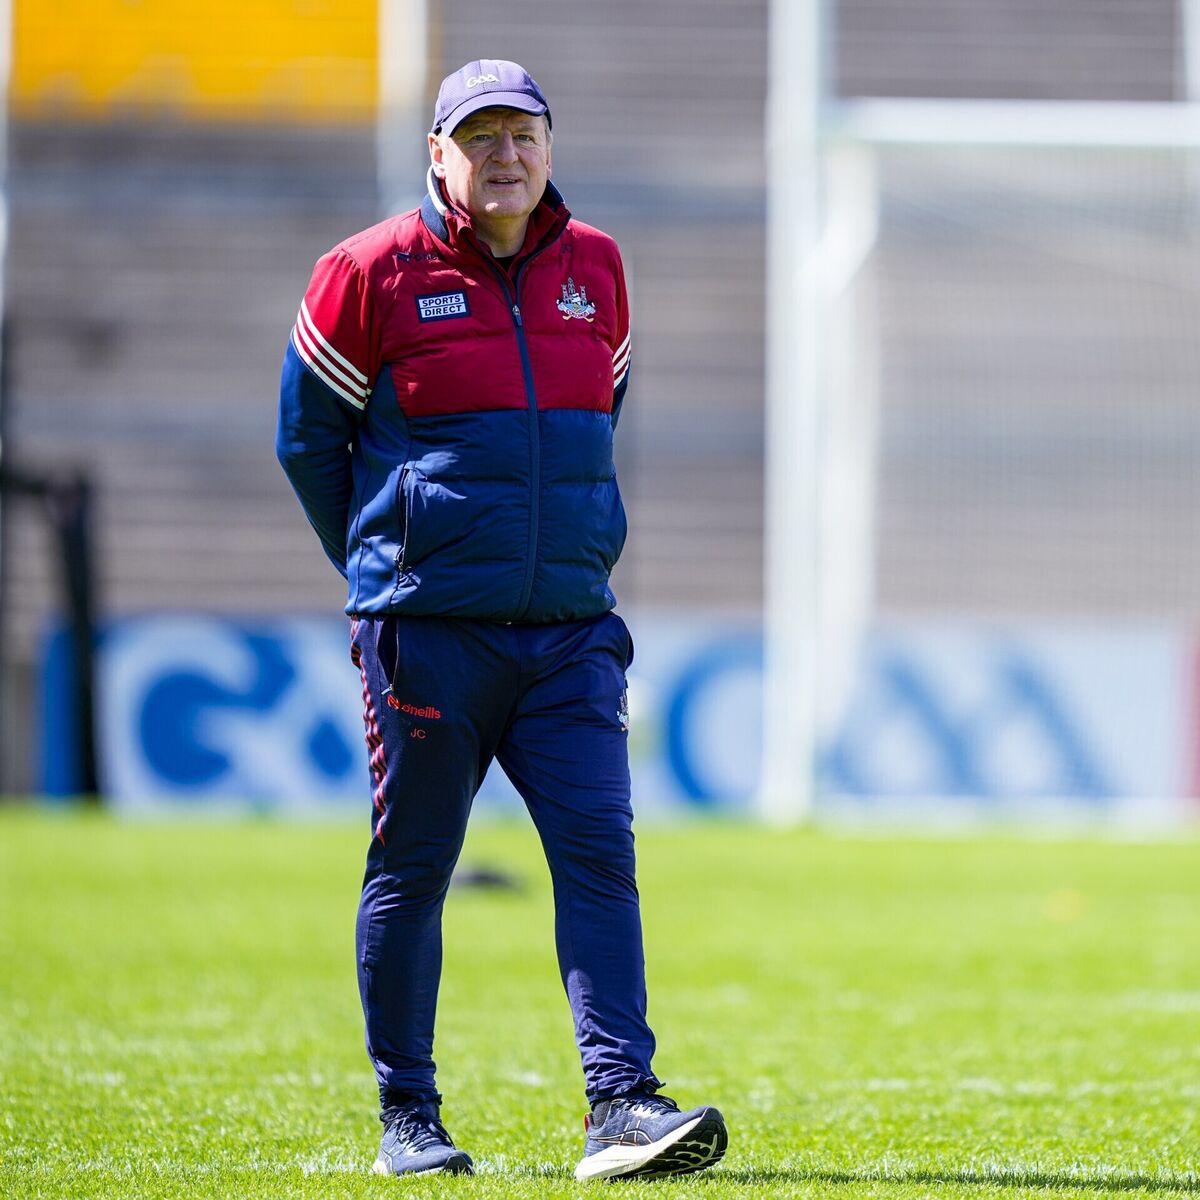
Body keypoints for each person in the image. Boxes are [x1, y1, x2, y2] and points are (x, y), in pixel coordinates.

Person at [276, 59, 727, 1181]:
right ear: (440, 155)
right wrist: (393, 563)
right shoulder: (364, 272)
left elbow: (596, 413)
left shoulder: (601, 270)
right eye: (478, 138)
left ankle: (621, 1105)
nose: (504, 156)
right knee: (416, 863)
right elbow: (306, 443)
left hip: (572, 630)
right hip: (428, 634)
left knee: (599, 856)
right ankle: (407, 1117)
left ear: (550, 147)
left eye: (521, 134)